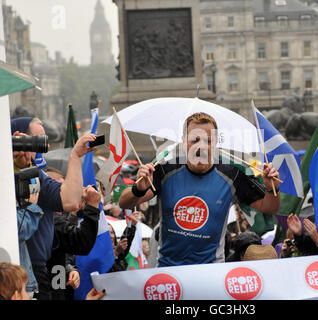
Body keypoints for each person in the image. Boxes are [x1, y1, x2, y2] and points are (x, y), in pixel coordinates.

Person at [119, 112, 281, 267]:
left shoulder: (232, 175)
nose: (201, 146)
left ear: (216, 142)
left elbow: (269, 208)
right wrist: (138, 189)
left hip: (210, 270)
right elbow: (124, 202)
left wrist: (272, 188)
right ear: (184, 141)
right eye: (194, 140)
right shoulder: (164, 170)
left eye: (207, 141)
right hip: (169, 269)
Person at [11, 117, 99, 300]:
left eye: (43, 139)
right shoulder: (6, 173)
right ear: (14, 137)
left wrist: (75, 156)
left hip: (37, 270)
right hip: (13, 269)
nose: (41, 146)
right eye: (34, 138)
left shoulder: (35, 175)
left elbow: (70, 201)